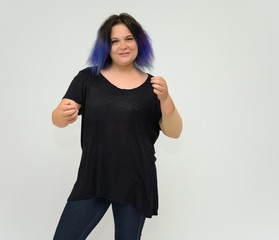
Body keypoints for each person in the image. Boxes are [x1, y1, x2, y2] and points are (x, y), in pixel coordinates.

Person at [51, 13, 182, 240]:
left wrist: (166, 100)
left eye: (129, 38)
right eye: (115, 41)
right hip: (94, 177)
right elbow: (58, 118)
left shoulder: (154, 87)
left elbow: (174, 132)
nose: (123, 46)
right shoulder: (87, 79)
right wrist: (63, 115)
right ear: (105, 46)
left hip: (136, 180)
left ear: (139, 43)